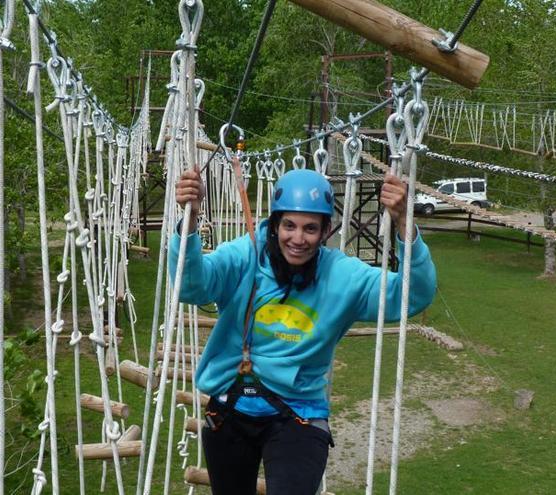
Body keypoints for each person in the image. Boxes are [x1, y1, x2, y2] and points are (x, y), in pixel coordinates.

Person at [170, 167, 436, 495]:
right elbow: (191, 287)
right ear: (275, 226)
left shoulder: (341, 276)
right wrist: (190, 222)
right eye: (289, 226)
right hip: (228, 407)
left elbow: (415, 295)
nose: (298, 239)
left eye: (310, 228)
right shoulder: (245, 256)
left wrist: (404, 222)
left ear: (325, 232)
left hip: (299, 414)